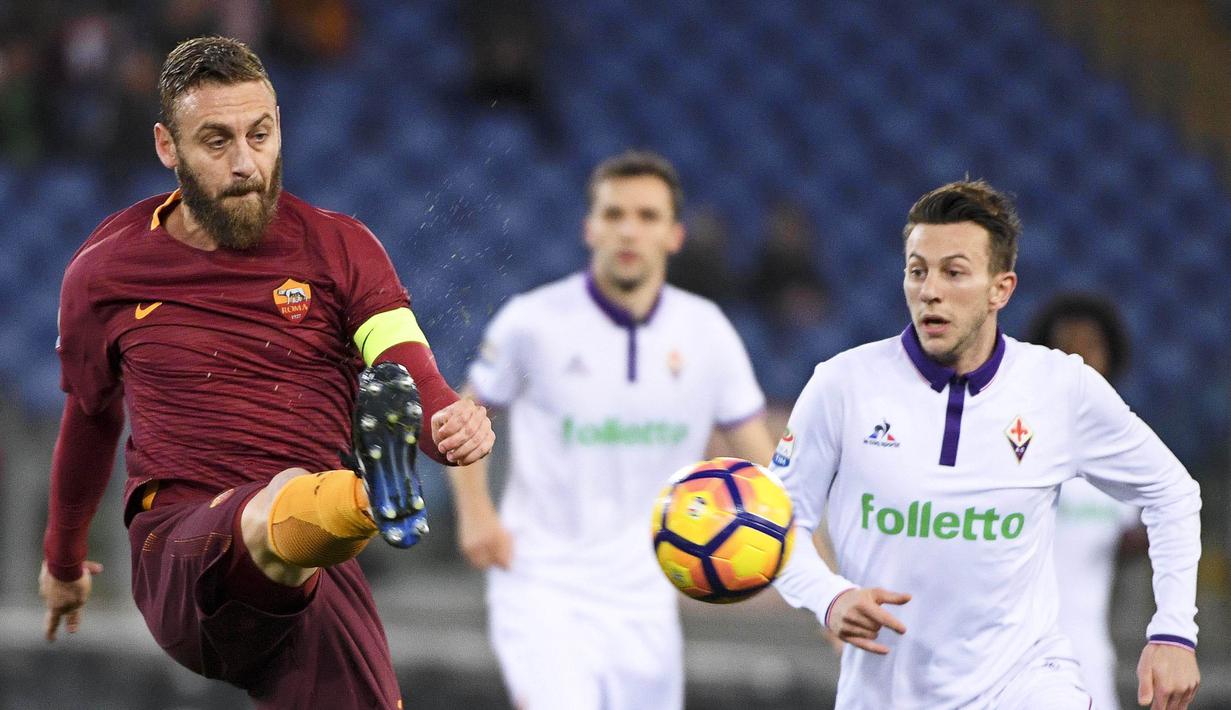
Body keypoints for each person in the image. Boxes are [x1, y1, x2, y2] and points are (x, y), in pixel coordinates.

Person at [37, 36, 494, 708]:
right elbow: (89, 418)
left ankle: (361, 499)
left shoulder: (343, 250)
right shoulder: (103, 274)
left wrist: (449, 424)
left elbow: (410, 373)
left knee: (297, 520)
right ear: (168, 147)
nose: (245, 162)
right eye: (216, 141)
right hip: (181, 547)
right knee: (280, 500)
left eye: (260, 133)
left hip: (313, 563)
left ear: (280, 124)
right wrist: (63, 561)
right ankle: (371, 497)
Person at [771, 180, 1202, 709]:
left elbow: (1172, 492)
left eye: (954, 272)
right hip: (885, 692)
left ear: (1002, 288)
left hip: (1027, 683)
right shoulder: (842, 386)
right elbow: (777, 520)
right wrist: (828, 596)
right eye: (916, 270)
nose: (930, 289)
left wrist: (1173, 631)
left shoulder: (1061, 388)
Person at [448, 150, 776, 710]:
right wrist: (477, 513)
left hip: (648, 594)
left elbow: (765, 470)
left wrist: (814, 583)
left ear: (674, 235)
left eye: (648, 216)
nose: (629, 229)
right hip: (541, 581)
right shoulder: (533, 322)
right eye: (614, 213)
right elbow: (467, 416)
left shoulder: (709, 333)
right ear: (589, 227)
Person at [1030, 292, 1146, 710]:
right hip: (1002, 662)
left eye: (1089, 347)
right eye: (1064, 348)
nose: (1077, 359)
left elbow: (1145, 533)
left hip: (1086, 662)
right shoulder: (1008, 444)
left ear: (1111, 357)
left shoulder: (1129, 456)